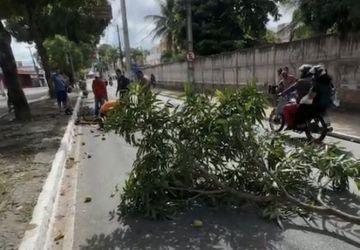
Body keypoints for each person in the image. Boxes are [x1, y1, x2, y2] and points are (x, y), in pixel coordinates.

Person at [280, 64, 313, 129]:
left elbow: (292, 88)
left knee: (285, 108)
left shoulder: (301, 81)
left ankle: (291, 125)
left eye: (302, 72)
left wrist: (283, 93)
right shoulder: (315, 81)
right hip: (314, 103)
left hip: (303, 104)